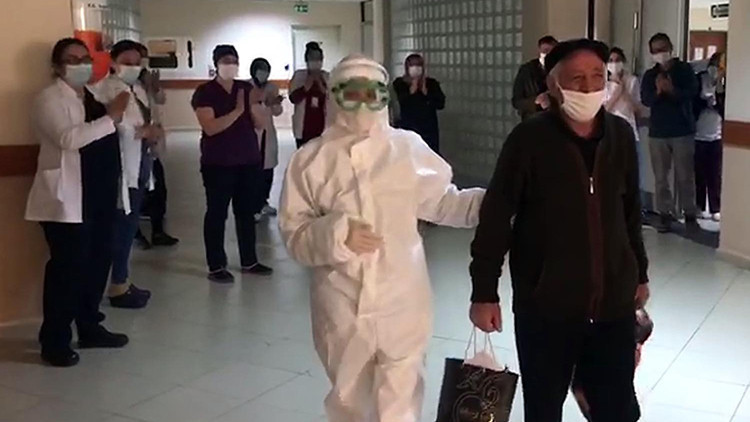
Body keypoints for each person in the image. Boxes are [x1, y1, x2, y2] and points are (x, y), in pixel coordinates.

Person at [279, 55, 485, 422]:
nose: (362, 103)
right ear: (334, 96)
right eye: (351, 93)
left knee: (402, 399)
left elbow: (445, 202)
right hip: (341, 302)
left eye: (371, 93)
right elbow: (295, 234)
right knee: (349, 399)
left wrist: (500, 203)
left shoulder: (407, 149)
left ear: (384, 97)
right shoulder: (311, 160)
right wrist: (336, 234)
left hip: (402, 296)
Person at [469, 39, 650, 422]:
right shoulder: (528, 140)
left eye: (597, 76)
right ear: (553, 85)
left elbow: (631, 212)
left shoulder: (619, 135)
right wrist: (484, 291)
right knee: (544, 408)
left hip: (613, 304)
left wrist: (640, 273)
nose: (589, 87)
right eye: (577, 78)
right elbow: (497, 216)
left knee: (618, 409)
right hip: (546, 306)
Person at [26, 38, 130, 367]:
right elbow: (68, 139)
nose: (81, 64)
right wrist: (111, 117)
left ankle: (89, 326)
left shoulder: (92, 96)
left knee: (98, 264)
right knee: (67, 270)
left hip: (99, 196)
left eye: (85, 58)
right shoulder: (49, 99)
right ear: (57, 67)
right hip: (68, 199)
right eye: (72, 59)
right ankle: (54, 340)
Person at [192, 44, 273, 283]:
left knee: (246, 213)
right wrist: (238, 110)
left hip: (248, 160)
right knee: (217, 214)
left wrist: (257, 105)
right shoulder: (205, 92)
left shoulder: (245, 89)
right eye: (226, 61)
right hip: (218, 163)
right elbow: (210, 127)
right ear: (216, 64)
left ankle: (250, 260)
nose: (231, 65)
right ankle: (216, 265)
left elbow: (260, 124)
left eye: (234, 61)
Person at [93, 40, 161, 309]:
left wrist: (151, 133)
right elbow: (109, 125)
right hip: (121, 168)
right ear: (113, 62)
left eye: (136, 63)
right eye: (126, 62)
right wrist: (141, 132)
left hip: (141, 163)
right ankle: (117, 285)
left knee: (130, 225)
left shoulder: (138, 89)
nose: (133, 67)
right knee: (120, 228)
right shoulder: (104, 90)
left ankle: (122, 280)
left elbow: (145, 119)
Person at [641, 33, 700, 233]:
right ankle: (664, 214)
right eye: (656, 50)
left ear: (671, 48)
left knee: (685, 175)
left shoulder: (684, 70)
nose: (660, 53)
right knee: (661, 178)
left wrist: (672, 90)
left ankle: (690, 214)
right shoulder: (650, 75)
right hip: (658, 132)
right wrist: (659, 91)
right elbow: (646, 100)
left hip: (682, 130)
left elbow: (692, 93)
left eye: (663, 48)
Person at [135, 43, 180, 248]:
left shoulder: (147, 78)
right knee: (135, 192)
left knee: (159, 189)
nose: (143, 61)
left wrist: (154, 86)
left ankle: (158, 231)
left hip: (151, 146)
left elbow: (160, 100)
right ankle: (136, 233)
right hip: (134, 147)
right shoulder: (120, 86)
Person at [605, 47, 648, 198]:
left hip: (630, 131)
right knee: (611, 174)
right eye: (611, 60)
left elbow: (637, 109)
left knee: (632, 174)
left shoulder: (632, 80)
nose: (614, 63)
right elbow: (604, 111)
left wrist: (624, 90)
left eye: (617, 60)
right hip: (609, 132)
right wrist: (617, 91)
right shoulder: (602, 83)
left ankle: (634, 206)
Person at [249, 57, 284, 219]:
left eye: (266, 70)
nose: (264, 74)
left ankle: (263, 202)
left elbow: (277, 112)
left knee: (268, 171)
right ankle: (253, 206)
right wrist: (265, 102)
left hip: (268, 134)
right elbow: (249, 108)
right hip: (252, 133)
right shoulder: (247, 87)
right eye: (260, 70)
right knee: (254, 172)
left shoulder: (272, 87)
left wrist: (275, 103)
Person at [392, 54, 446, 154]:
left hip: (428, 129)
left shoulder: (432, 83)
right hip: (409, 126)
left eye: (418, 65)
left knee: (429, 154)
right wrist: (412, 88)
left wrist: (426, 92)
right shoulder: (400, 83)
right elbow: (401, 101)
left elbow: (440, 104)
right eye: (412, 65)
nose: (416, 68)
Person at [694, 52, 725, 222]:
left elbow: (725, 108)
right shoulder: (700, 78)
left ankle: (715, 208)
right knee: (699, 173)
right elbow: (693, 103)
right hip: (698, 133)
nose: (716, 70)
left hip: (716, 133)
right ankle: (699, 205)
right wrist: (704, 102)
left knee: (715, 173)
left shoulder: (725, 83)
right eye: (714, 65)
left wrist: (717, 98)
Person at [289, 42, 329, 148]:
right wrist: (305, 87)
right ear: (306, 60)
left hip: (322, 128)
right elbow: (293, 98)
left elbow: (332, 99)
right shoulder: (299, 76)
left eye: (318, 58)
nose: (315, 61)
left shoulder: (326, 76)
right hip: (304, 129)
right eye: (312, 58)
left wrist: (320, 84)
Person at [512, 35, 558, 120]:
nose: (548, 55)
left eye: (551, 52)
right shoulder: (526, 70)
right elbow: (516, 101)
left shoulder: (561, 71)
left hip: (556, 121)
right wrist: (536, 102)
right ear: (539, 52)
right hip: (532, 121)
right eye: (545, 51)